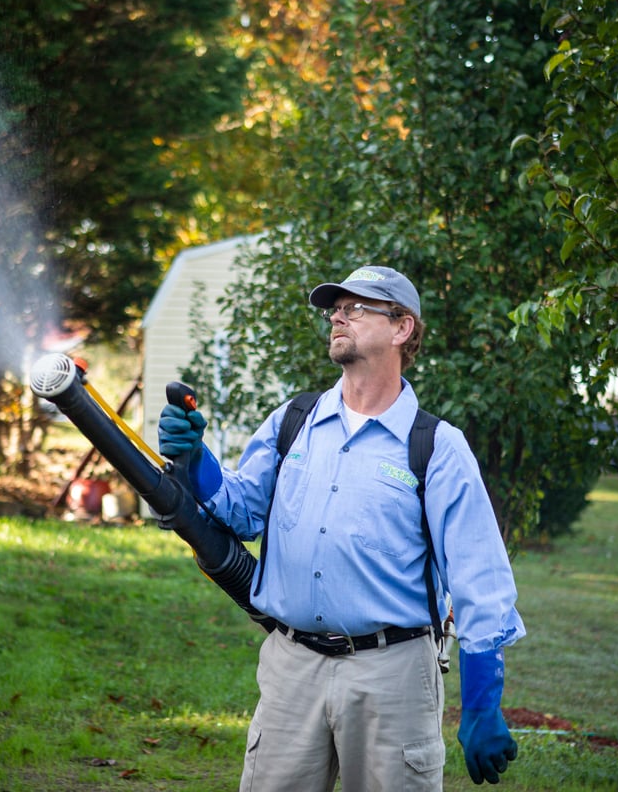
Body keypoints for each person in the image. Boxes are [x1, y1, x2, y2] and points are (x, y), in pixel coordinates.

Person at [158, 265, 525, 791]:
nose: (337, 316)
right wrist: (195, 458)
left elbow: (480, 582)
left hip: (393, 678)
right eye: (335, 308)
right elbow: (239, 509)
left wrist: (484, 702)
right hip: (291, 669)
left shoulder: (437, 448)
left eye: (356, 308)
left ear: (402, 328)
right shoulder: (294, 420)